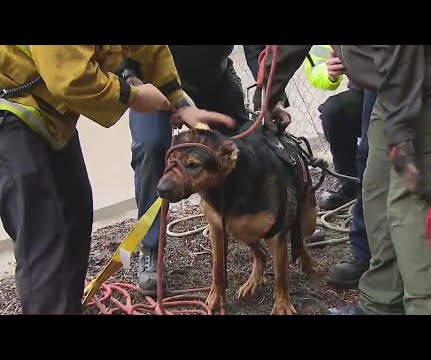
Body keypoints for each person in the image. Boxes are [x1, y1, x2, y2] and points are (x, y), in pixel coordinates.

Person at [0, 45, 235, 314]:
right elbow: (70, 79)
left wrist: (179, 101)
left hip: (47, 113)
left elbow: (151, 48)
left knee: (74, 215)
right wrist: (132, 95)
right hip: (10, 112)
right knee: (42, 239)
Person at [264, 45, 431, 314]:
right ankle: (382, 303)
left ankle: (426, 307)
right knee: (378, 189)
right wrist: (269, 93)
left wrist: (401, 135)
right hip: (391, 79)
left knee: (413, 206)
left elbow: (403, 53)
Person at [119, 45, 296, 296]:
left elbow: (259, 49)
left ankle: (280, 218)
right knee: (151, 148)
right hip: (153, 85)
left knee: (251, 136)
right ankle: (150, 246)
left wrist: (272, 95)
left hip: (214, 81)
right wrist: (129, 78)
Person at [305, 45, 361, 211]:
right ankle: (349, 184)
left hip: (399, 87)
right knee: (333, 112)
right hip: (363, 91)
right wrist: (328, 72)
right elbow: (315, 64)